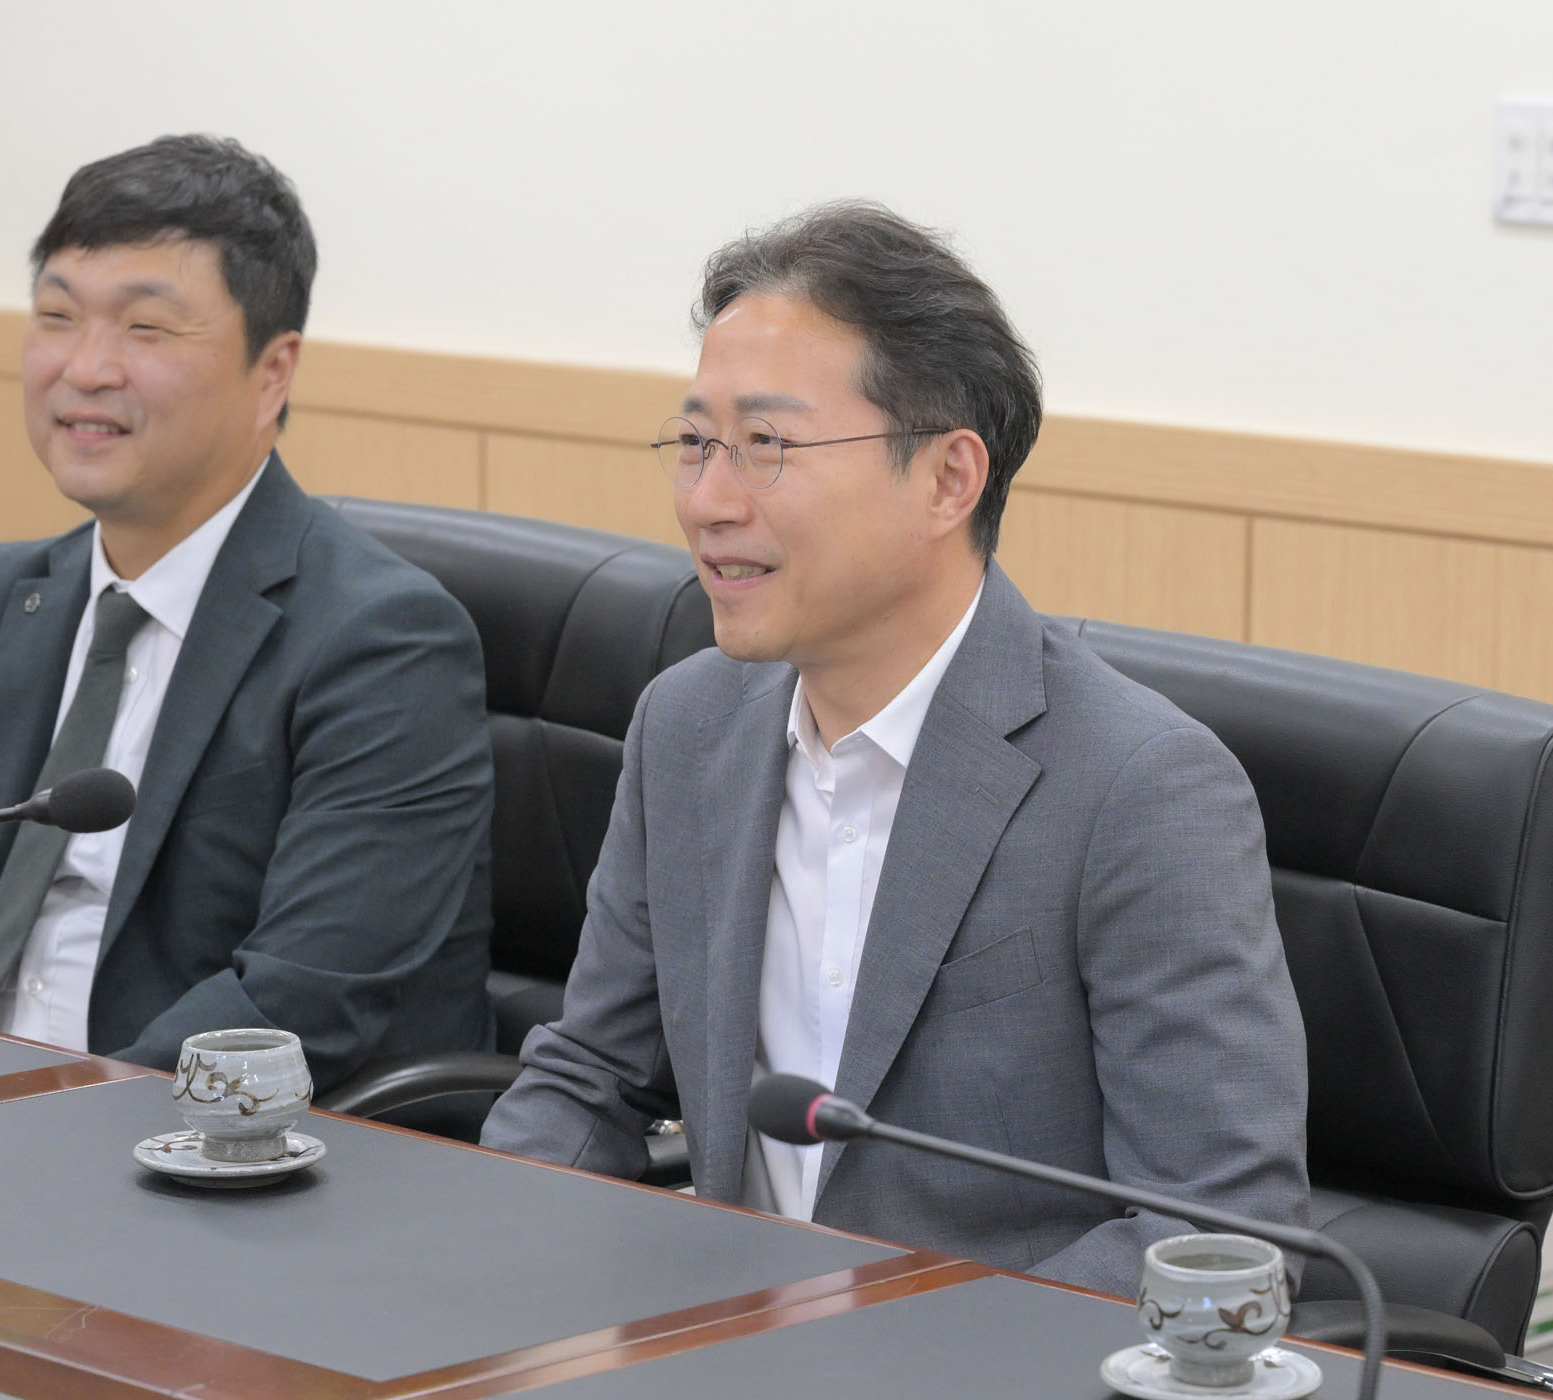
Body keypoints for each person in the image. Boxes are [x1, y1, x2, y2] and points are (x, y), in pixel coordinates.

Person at [481, 202, 1309, 1296]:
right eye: (695, 444)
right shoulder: (689, 726)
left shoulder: (1139, 787)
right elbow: (590, 1078)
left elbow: (1219, 1230)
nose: (708, 501)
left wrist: (894, 1355)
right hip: (723, 1341)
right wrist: (481, 1260)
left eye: (767, 446)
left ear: (948, 480)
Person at [0, 136, 495, 1089]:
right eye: (57, 316)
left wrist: (28, 1125)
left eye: (145, 329)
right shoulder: (6, 596)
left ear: (272, 372)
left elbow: (297, 1005)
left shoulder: (382, 643)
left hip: (170, 1144)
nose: (84, 368)